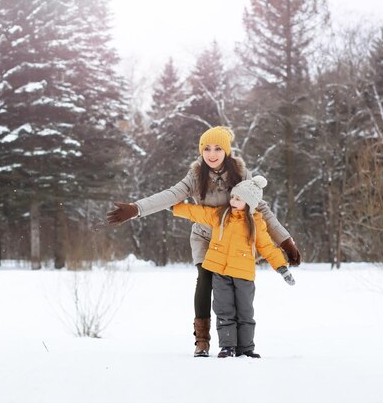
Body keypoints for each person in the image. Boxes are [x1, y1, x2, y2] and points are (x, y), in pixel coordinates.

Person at [107, 126, 301, 357]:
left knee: (236, 292)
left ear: (226, 151)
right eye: (206, 148)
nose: (212, 154)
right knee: (205, 280)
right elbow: (171, 195)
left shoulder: (241, 174)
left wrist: (286, 241)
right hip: (204, 236)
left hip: (233, 239)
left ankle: (240, 343)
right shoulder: (195, 175)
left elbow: (261, 210)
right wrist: (136, 209)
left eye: (218, 148)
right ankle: (202, 341)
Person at [172, 176, 296, 358]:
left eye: (238, 199)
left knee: (245, 312)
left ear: (250, 202)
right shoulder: (221, 216)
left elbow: (268, 248)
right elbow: (197, 212)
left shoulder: (255, 223)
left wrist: (281, 268)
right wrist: (175, 207)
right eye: (232, 197)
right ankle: (227, 346)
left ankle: (246, 347)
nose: (232, 201)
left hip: (243, 275)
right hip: (220, 273)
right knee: (224, 311)